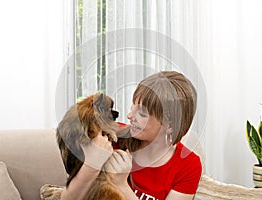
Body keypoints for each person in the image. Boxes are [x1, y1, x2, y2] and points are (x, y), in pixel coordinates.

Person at [61, 71, 202, 200]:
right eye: (132, 108)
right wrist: (93, 162)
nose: (129, 116)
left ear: (170, 126)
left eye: (141, 114)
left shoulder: (189, 166)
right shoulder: (111, 137)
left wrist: (121, 184)